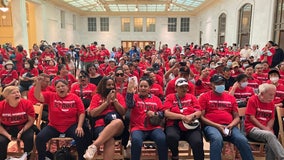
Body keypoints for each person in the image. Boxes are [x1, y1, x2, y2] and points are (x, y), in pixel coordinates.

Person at [199, 74, 254, 160]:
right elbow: (201, 117)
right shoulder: (204, 97)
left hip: (229, 126)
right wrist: (217, 126)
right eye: (217, 83)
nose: (220, 85)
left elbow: (237, 117)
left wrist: (231, 125)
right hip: (211, 126)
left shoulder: (230, 98)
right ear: (211, 85)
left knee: (242, 140)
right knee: (217, 139)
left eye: (222, 83)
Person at [34, 78, 91, 160]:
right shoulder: (51, 96)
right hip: (53, 126)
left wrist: (79, 126)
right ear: (55, 89)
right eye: (58, 87)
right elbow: (38, 96)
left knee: (80, 136)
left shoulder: (75, 97)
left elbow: (81, 112)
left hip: (71, 125)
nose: (61, 88)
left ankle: (81, 158)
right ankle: (42, 158)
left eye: (63, 86)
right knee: (39, 138)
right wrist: (38, 83)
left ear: (67, 87)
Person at [126, 77, 168, 160]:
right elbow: (129, 105)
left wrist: (155, 113)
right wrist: (129, 91)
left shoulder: (156, 99)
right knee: (136, 141)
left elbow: (163, 113)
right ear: (138, 88)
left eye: (145, 86)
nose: (143, 88)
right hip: (138, 128)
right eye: (141, 86)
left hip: (154, 128)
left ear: (149, 88)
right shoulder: (135, 97)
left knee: (162, 139)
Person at [84, 77, 126, 160]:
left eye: (112, 85)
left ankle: (94, 146)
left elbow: (123, 112)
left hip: (117, 126)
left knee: (118, 122)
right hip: (100, 124)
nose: (111, 87)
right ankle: (94, 148)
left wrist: (114, 101)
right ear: (103, 86)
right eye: (108, 85)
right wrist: (106, 103)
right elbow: (93, 114)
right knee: (109, 139)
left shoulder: (118, 96)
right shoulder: (96, 96)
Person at [164, 78, 204, 160]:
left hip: (191, 124)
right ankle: (175, 155)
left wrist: (192, 116)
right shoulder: (170, 97)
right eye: (181, 87)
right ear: (176, 88)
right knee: (171, 136)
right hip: (174, 124)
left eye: (186, 87)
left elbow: (199, 112)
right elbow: (166, 113)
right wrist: (182, 117)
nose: (184, 89)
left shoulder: (192, 97)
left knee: (197, 142)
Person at [245, 83, 284, 159]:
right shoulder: (253, 100)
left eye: (274, 95)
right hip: (252, 129)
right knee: (270, 136)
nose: (273, 97)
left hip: (266, 130)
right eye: (270, 95)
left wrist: (268, 128)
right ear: (262, 94)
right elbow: (252, 118)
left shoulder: (271, 103)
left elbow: (272, 118)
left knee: (270, 140)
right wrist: (265, 129)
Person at [0, 86, 35, 160]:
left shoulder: (27, 103)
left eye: (18, 92)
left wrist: (21, 132)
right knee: (1, 141)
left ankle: (27, 157)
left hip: (23, 126)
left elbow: (31, 120)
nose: (17, 94)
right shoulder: (1, 106)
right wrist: (8, 135)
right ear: (7, 96)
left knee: (29, 137)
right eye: (13, 93)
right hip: (6, 128)